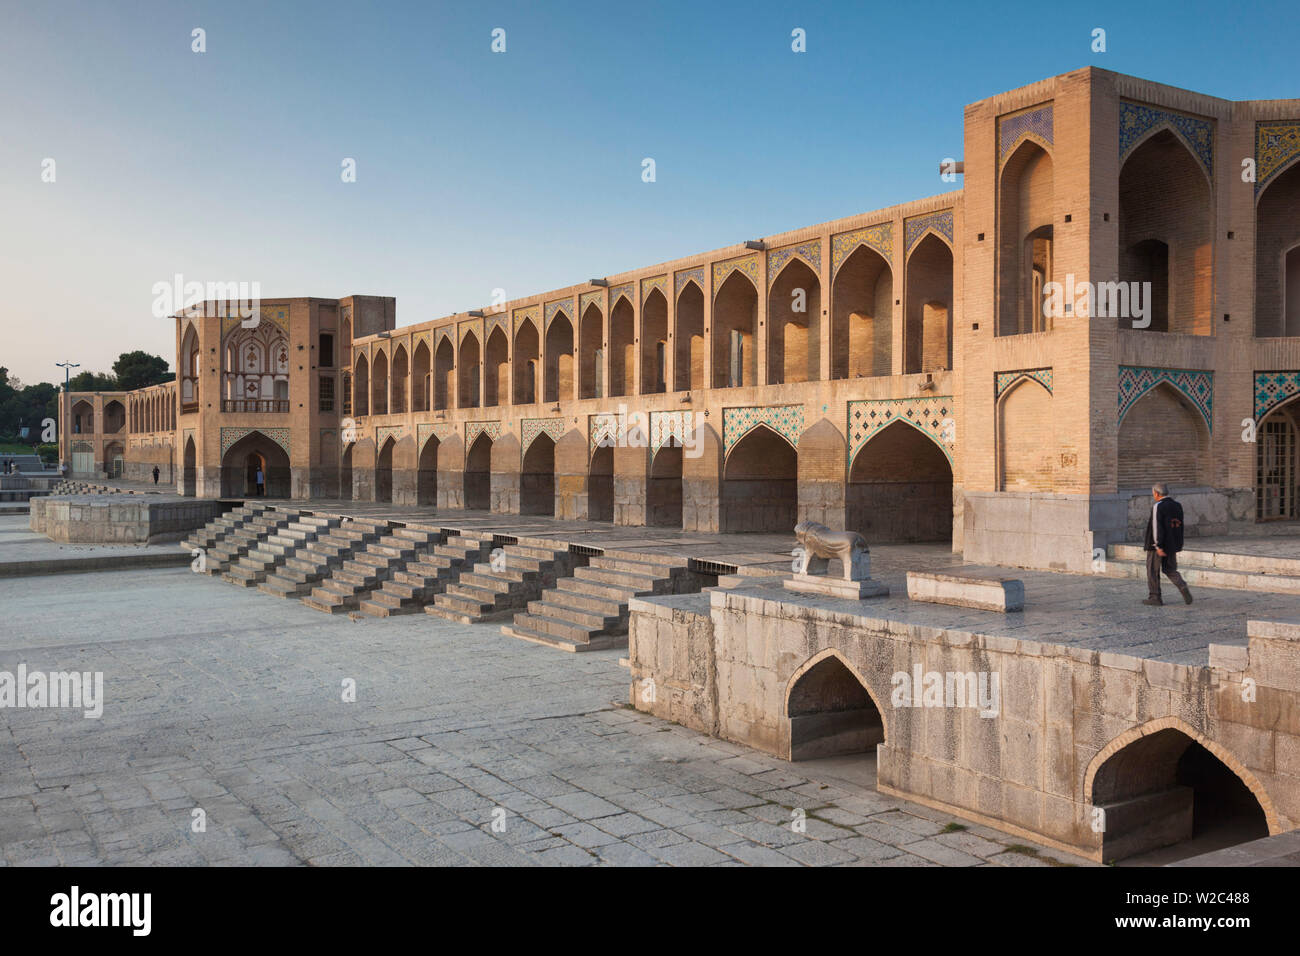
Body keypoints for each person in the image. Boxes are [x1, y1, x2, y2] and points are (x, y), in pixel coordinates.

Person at [1143, 482, 1192, 606]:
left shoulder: (1158, 506)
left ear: (1156, 493)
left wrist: (1157, 545)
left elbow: (1156, 527)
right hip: (1172, 544)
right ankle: (1182, 585)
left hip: (1157, 545)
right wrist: (1177, 544)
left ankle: (1155, 597)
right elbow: (1179, 526)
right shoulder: (1177, 505)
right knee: (1170, 569)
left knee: (1152, 571)